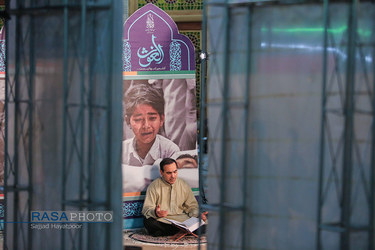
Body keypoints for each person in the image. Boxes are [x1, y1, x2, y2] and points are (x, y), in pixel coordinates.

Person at [142, 158, 207, 237]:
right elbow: (147, 208)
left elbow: (192, 206)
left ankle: (167, 232)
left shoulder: (184, 184)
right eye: (169, 173)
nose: (173, 176)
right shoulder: (154, 186)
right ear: (161, 172)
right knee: (148, 222)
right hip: (163, 220)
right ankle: (183, 232)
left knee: (205, 225)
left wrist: (198, 215)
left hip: (182, 221)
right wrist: (156, 213)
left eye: (175, 172)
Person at [122, 84, 180, 166]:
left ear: (162, 119)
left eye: (152, 118)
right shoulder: (121, 151)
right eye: (138, 119)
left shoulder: (170, 151)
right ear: (128, 121)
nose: (146, 125)